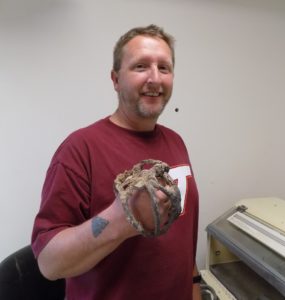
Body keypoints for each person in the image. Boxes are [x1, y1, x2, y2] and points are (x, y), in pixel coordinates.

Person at [31, 24, 201, 300]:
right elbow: (50, 264)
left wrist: (194, 285)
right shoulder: (79, 149)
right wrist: (120, 221)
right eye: (141, 67)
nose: (155, 78)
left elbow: (180, 235)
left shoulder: (176, 142)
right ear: (115, 79)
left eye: (164, 68)